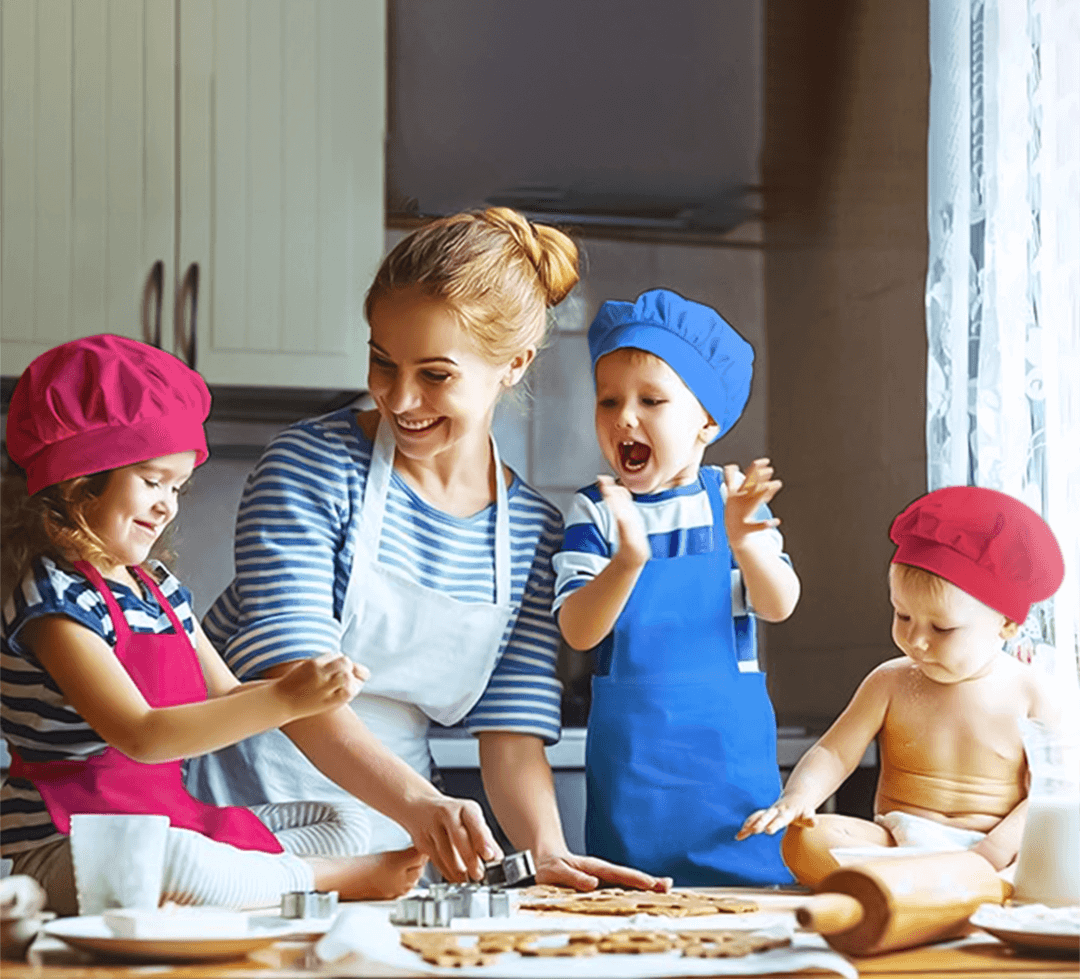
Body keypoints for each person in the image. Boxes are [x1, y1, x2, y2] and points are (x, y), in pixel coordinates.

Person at [186, 209, 668, 891]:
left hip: (397, 847)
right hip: (245, 822)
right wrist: (418, 805)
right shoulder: (310, 465)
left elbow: (511, 730)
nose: (399, 397)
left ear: (514, 366)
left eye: (435, 375)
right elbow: (288, 680)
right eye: (382, 362)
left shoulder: (531, 528)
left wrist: (546, 849)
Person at [0, 335, 426, 915]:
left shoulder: (159, 592)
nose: (167, 505)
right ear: (80, 477)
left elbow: (228, 697)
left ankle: (261, 879)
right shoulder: (53, 600)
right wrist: (283, 698)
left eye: (177, 487)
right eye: (152, 481)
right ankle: (317, 880)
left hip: (163, 817)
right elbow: (142, 734)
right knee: (171, 862)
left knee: (343, 818)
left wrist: (309, 691)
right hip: (64, 843)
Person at [552, 288, 801, 886]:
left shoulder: (734, 501)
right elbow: (579, 630)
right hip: (634, 779)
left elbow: (779, 604)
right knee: (631, 917)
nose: (624, 418)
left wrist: (746, 540)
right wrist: (628, 559)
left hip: (730, 778)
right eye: (608, 401)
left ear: (707, 421)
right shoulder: (596, 511)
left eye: (652, 400)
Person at [737, 486, 1066, 887]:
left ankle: (928, 889)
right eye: (903, 616)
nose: (917, 640)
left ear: (1007, 625)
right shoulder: (889, 681)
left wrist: (992, 852)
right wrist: (798, 798)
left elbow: (1049, 794)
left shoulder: (1031, 693)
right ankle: (931, 890)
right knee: (806, 841)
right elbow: (834, 752)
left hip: (993, 850)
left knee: (1049, 856)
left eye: (942, 628)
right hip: (897, 843)